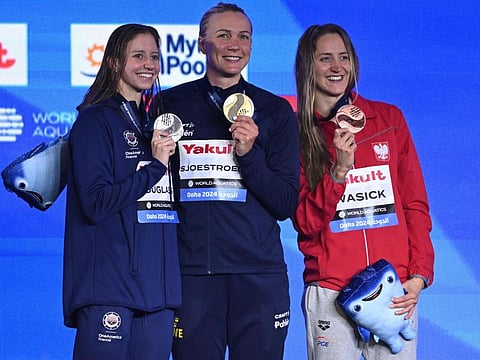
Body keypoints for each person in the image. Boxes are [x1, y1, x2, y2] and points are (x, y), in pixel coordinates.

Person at [150, 3, 299, 360]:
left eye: (243, 36)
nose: (235, 44)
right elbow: (157, 193)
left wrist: (248, 153)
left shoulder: (275, 110)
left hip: (259, 275)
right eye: (224, 35)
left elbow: (284, 203)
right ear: (202, 43)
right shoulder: (168, 105)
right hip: (193, 274)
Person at [292, 23, 435, 359]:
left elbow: (415, 203)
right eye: (325, 58)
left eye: (343, 57)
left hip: (394, 289)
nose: (336, 67)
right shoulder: (296, 133)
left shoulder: (388, 119)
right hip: (330, 289)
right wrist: (339, 170)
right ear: (307, 66)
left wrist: (418, 276)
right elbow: (305, 221)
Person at [63, 23, 181, 360]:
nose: (149, 64)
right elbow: (96, 203)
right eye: (138, 56)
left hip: (157, 292)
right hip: (109, 289)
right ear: (114, 62)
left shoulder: (152, 125)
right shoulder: (94, 122)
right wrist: (156, 168)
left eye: (155, 57)